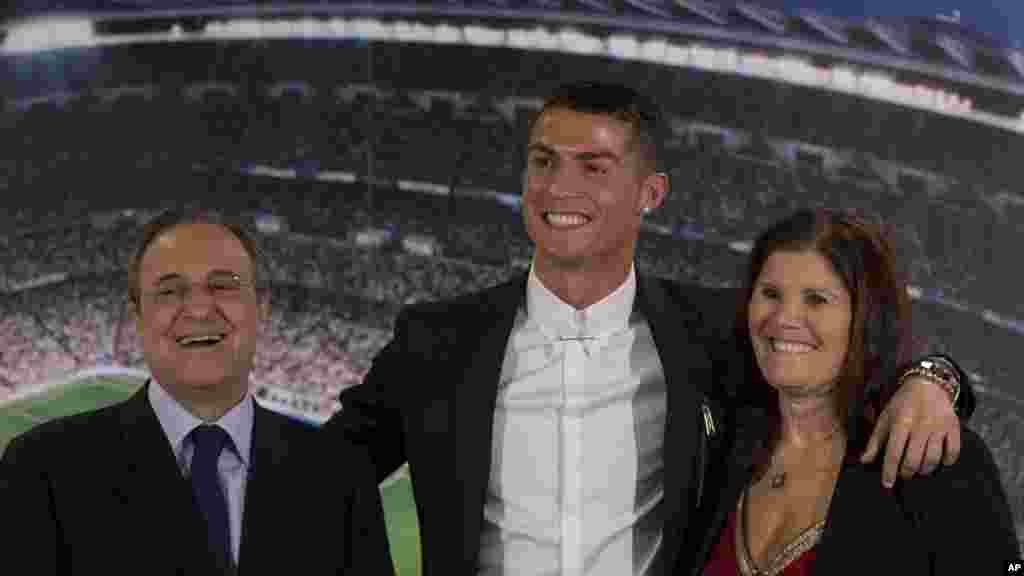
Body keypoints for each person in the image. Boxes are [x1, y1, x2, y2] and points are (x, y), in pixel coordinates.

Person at [324, 80, 976, 575]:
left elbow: (844, 354)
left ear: (651, 193)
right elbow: (321, 471)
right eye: (543, 161)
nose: (557, 187)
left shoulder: (713, 330)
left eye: (594, 167)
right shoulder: (438, 339)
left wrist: (931, 379)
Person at [0, 205, 393, 575]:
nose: (201, 309)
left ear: (261, 308)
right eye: (169, 291)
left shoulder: (339, 475)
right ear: (136, 317)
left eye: (223, 286)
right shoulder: (41, 471)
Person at [696, 209, 1015, 576]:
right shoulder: (717, 440)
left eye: (816, 299)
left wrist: (932, 377)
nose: (783, 318)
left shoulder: (930, 457)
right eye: (770, 293)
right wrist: (937, 372)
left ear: (866, 317)